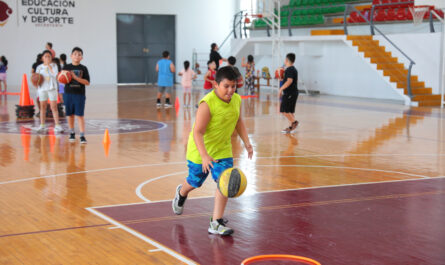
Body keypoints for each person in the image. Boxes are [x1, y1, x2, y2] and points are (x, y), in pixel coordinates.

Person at [172, 66, 253, 236]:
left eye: (233, 86)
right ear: (216, 85)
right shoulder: (207, 104)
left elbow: (239, 121)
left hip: (222, 150)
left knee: (225, 182)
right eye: (226, 86)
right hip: (200, 150)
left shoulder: (236, 100)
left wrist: (247, 142)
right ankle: (181, 193)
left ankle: (216, 222)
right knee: (195, 182)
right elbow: (197, 132)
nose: (231, 90)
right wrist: (204, 156)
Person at [63, 47, 90, 144]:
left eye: (79, 54)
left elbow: (87, 82)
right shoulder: (66, 67)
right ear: (71, 56)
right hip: (68, 94)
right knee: (70, 115)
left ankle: (82, 135)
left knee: (80, 115)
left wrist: (75, 77)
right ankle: (72, 133)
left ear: (81, 58)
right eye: (75, 54)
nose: (77, 56)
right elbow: (62, 80)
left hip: (79, 95)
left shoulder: (83, 68)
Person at [35, 50, 63, 133]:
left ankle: (57, 125)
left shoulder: (54, 65)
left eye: (49, 56)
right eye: (45, 56)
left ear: (51, 58)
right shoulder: (39, 67)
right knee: (42, 107)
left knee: (54, 107)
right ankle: (42, 125)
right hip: (42, 89)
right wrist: (36, 82)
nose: (47, 58)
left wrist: (49, 66)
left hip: (52, 88)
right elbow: (37, 78)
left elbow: (56, 75)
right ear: (42, 58)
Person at [278, 53, 299, 134]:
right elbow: (290, 80)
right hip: (293, 93)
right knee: (290, 111)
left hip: (290, 93)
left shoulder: (289, 69)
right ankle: (291, 128)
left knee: (284, 110)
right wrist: (282, 79)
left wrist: (281, 89)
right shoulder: (294, 69)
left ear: (286, 60)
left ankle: (294, 122)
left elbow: (290, 81)